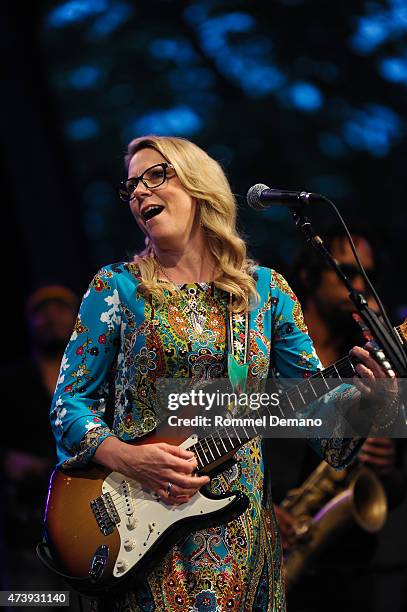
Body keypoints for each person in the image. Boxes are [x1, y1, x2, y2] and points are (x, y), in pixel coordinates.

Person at [49, 136, 393, 611]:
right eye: (130, 186)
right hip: (144, 535)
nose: (139, 193)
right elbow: (69, 403)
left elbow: (321, 424)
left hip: (246, 538)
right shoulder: (117, 287)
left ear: (198, 183)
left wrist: (370, 403)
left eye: (155, 175)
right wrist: (129, 458)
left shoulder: (266, 293)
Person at [269, 230, 407, 612]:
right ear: (310, 275)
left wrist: (388, 467)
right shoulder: (269, 353)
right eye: (346, 272)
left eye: (368, 275)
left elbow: (395, 487)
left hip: (351, 575)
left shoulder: (376, 360)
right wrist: (262, 508)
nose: (359, 286)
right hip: (270, 558)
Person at [1, 286, 79, 599]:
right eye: (42, 311)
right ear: (28, 322)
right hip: (28, 531)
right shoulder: (9, 383)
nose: (52, 317)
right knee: (28, 603)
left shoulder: (93, 377)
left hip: (89, 528)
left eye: (61, 308)